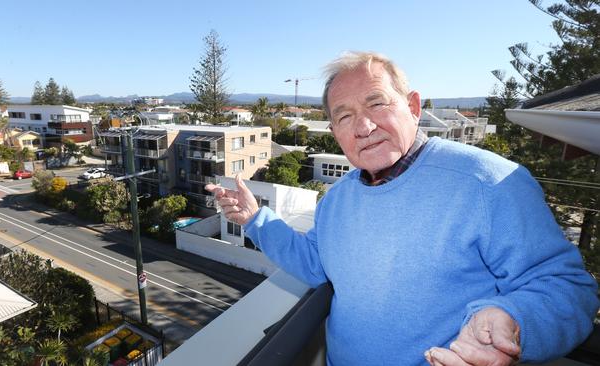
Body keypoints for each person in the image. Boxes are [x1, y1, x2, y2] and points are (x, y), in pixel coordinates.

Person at [205, 52, 599, 366]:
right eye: (344, 116)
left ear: (412, 105)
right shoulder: (339, 197)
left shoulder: (488, 181)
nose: (363, 127)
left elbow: (568, 290)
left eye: (377, 103)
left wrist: (514, 321)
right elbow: (315, 263)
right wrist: (256, 218)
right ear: (336, 132)